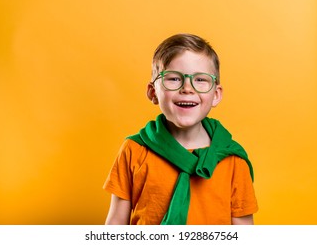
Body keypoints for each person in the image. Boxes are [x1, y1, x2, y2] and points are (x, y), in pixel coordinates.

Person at [104, 33, 258, 225]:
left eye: (200, 79)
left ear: (216, 95)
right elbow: (116, 224)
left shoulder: (233, 160)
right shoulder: (134, 150)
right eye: (174, 79)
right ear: (153, 92)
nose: (187, 88)